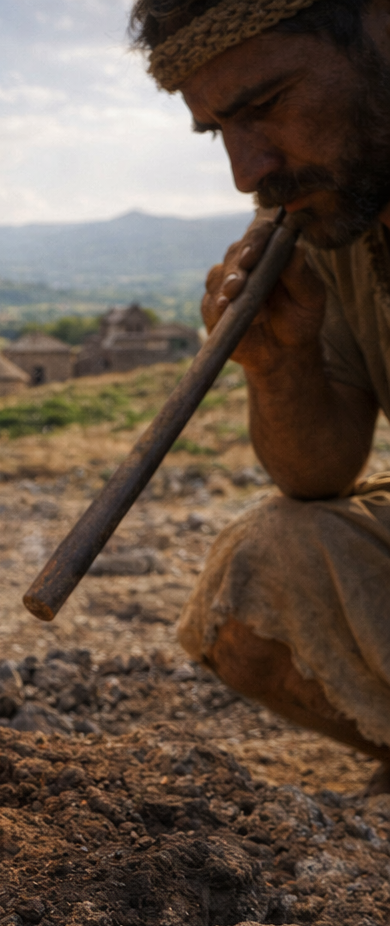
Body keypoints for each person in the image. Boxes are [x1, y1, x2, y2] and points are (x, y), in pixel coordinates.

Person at [130, 0, 390, 791]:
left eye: (267, 106)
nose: (249, 171)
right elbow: (318, 473)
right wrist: (280, 363)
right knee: (262, 575)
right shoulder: (340, 214)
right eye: (220, 132)